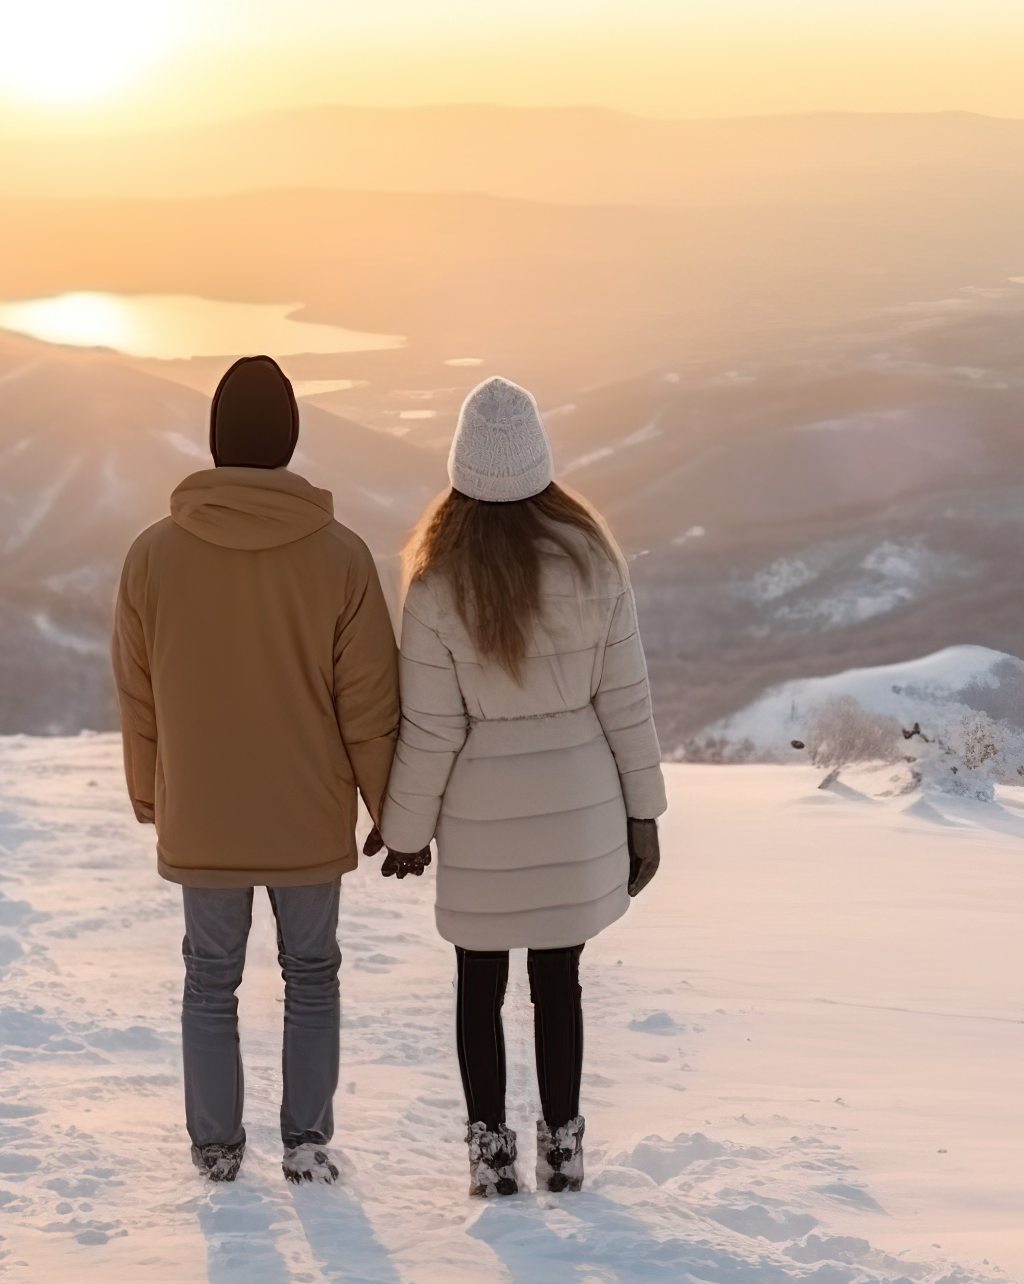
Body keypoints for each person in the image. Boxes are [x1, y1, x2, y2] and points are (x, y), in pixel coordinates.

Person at [112, 355, 399, 1185]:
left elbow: (139, 696)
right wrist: (393, 810)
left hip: (200, 811)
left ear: (213, 443)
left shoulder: (151, 557)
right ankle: (305, 1143)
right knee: (311, 976)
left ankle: (215, 1148)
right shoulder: (341, 558)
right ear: (290, 442)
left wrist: (149, 790)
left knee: (210, 980)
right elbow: (370, 706)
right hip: (306, 813)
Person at [376, 376, 666, 1196]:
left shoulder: (436, 586)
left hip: (480, 818)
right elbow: (627, 704)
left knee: (479, 985)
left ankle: (490, 1157)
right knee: (558, 982)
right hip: (579, 811)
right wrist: (644, 815)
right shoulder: (594, 563)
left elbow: (432, 730)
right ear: (540, 463)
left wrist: (405, 832)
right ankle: (564, 1150)